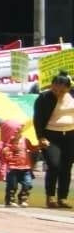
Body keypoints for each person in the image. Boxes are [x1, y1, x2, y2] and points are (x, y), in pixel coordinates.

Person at [32, 72, 74, 208]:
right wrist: (40, 137)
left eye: (62, 90)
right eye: (55, 89)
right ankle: (50, 196)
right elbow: (37, 119)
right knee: (54, 165)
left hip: (70, 135)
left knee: (66, 167)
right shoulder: (44, 97)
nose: (58, 93)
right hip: (51, 135)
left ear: (68, 88)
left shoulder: (72, 95)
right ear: (52, 86)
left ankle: (63, 197)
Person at [0, 120, 36, 207]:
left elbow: (31, 148)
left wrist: (40, 146)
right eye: (16, 132)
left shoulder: (25, 140)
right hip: (12, 169)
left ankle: (23, 198)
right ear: (8, 133)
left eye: (20, 131)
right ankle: (10, 200)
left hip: (26, 168)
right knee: (12, 186)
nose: (19, 134)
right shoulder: (2, 145)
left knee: (28, 184)